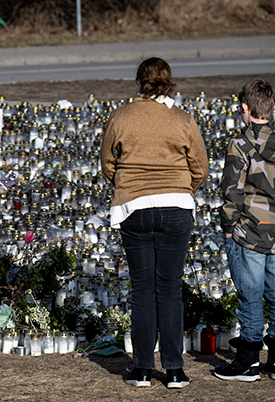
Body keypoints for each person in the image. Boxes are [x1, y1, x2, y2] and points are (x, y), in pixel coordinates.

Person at [101, 57, 208, 389]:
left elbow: (108, 161)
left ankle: (143, 369)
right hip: (175, 206)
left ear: (138, 83)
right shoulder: (183, 119)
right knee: (170, 289)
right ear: (170, 82)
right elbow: (200, 168)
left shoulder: (121, 116)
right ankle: (174, 369)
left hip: (133, 206)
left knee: (143, 289)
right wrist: (180, 189)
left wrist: (127, 186)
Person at [215, 78, 275, 382]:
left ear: (244, 109)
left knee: (249, 293)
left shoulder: (240, 144)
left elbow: (231, 190)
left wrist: (228, 227)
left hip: (249, 230)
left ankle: (248, 359)